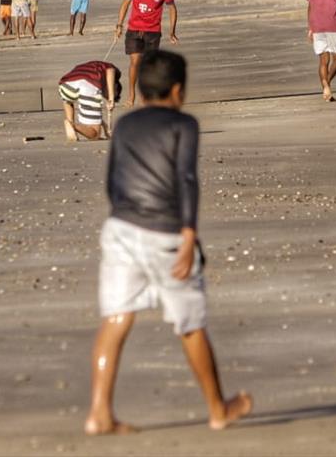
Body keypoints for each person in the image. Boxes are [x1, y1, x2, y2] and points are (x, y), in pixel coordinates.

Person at [84, 50, 252, 435]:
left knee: (116, 317)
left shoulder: (125, 125)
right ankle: (217, 409)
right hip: (167, 233)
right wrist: (190, 234)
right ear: (178, 89)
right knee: (189, 322)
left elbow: (112, 181)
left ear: (141, 89)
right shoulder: (184, 125)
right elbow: (186, 179)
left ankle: (99, 413)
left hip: (121, 228)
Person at [115, 0, 178, 107]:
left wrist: (172, 31)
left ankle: (146, 95)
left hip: (153, 32)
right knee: (135, 62)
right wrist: (119, 25)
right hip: (134, 30)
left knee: (149, 66)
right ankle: (131, 95)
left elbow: (172, 9)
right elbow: (125, 4)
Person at [58, 59, 119, 142]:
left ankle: (70, 124)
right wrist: (111, 99)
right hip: (87, 84)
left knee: (68, 101)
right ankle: (72, 125)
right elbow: (110, 70)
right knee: (95, 134)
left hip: (65, 85)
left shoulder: (95, 67)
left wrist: (105, 126)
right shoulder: (109, 67)